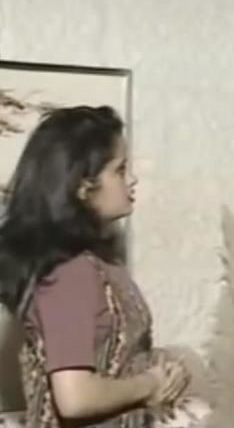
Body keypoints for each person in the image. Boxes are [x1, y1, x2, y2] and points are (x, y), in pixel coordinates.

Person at [0, 106, 209, 427]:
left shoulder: (96, 264)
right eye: (120, 170)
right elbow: (75, 398)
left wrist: (167, 371)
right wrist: (150, 384)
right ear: (83, 187)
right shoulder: (69, 274)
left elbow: (116, 361)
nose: (132, 179)